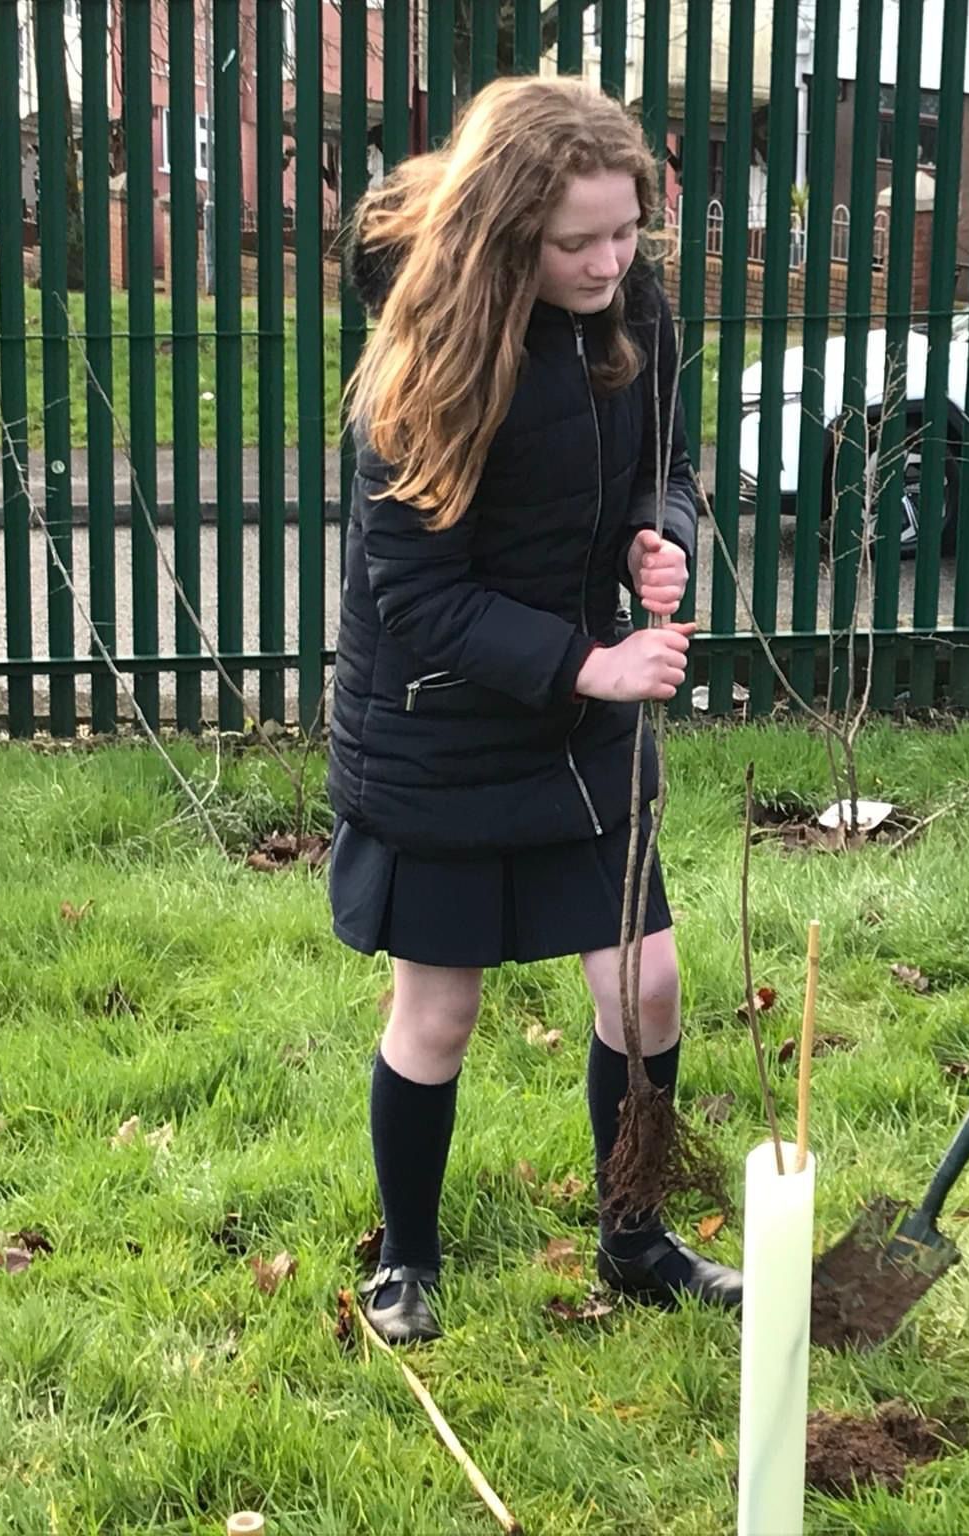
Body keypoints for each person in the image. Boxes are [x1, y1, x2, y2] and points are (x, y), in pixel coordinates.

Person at [329, 76, 741, 1346]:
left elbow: (666, 461)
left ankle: (633, 1235)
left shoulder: (636, 309)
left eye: (628, 233)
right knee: (437, 1011)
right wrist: (589, 664)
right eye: (578, 243)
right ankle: (406, 1258)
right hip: (442, 723)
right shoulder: (425, 359)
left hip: (578, 720)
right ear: (508, 230)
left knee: (649, 988)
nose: (611, 262)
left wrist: (656, 538)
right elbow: (414, 593)